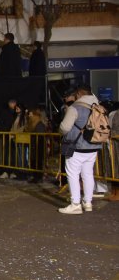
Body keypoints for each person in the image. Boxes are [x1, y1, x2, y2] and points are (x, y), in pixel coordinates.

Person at [58, 84, 103, 214]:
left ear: (79, 94)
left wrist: (60, 129)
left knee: (73, 174)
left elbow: (65, 127)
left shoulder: (75, 108)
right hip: (94, 145)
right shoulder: (98, 106)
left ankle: (75, 204)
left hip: (76, 145)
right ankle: (87, 202)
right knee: (88, 174)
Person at [26, 108, 47, 183]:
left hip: (38, 146)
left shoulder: (39, 124)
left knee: (38, 162)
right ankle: (35, 176)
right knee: (33, 161)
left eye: (31, 114)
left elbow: (40, 136)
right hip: (34, 145)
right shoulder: (32, 124)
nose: (29, 115)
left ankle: (38, 177)